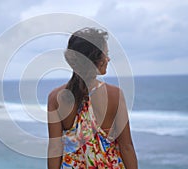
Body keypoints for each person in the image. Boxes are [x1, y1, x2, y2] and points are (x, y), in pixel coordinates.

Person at [47, 27, 138, 169]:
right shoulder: (115, 95)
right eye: (105, 54)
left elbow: (54, 149)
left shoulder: (55, 98)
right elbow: (126, 147)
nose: (108, 59)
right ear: (94, 59)